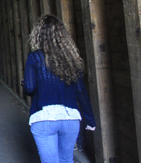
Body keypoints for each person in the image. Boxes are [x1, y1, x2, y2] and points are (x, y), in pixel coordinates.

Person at [22, 15, 96, 163]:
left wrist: (24, 83)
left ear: (39, 35)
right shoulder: (72, 59)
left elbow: (30, 89)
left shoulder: (35, 57)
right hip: (70, 118)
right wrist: (90, 120)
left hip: (44, 118)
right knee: (66, 160)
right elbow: (81, 91)